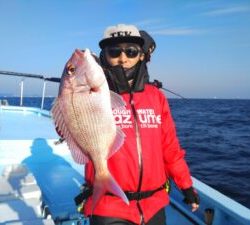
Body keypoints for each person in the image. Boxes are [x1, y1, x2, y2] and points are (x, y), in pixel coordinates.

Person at [81, 24, 199, 225]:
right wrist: (72, 94)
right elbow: (67, 129)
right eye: (114, 51)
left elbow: (169, 148)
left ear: (142, 55)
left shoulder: (156, 97)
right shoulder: (92, 94)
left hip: (154, 205)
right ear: (104, 56)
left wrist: (186, 186)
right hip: (109, 205)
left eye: (131, 51)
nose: (123, 57)